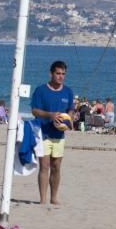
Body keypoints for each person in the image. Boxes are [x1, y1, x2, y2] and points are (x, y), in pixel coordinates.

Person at [31, 60, 75, 205]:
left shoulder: (68, 91)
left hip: (59, 135)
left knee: (56, 166)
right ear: (51, 74)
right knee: (44, 166)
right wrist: (50, 115)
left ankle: (54, 197)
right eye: (58, 73)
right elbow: (35, 110)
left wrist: (68, 119)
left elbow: (71, 109)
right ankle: (43, 200)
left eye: (63, 74)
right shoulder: (41, 90)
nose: (61, 76)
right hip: (43, 133)